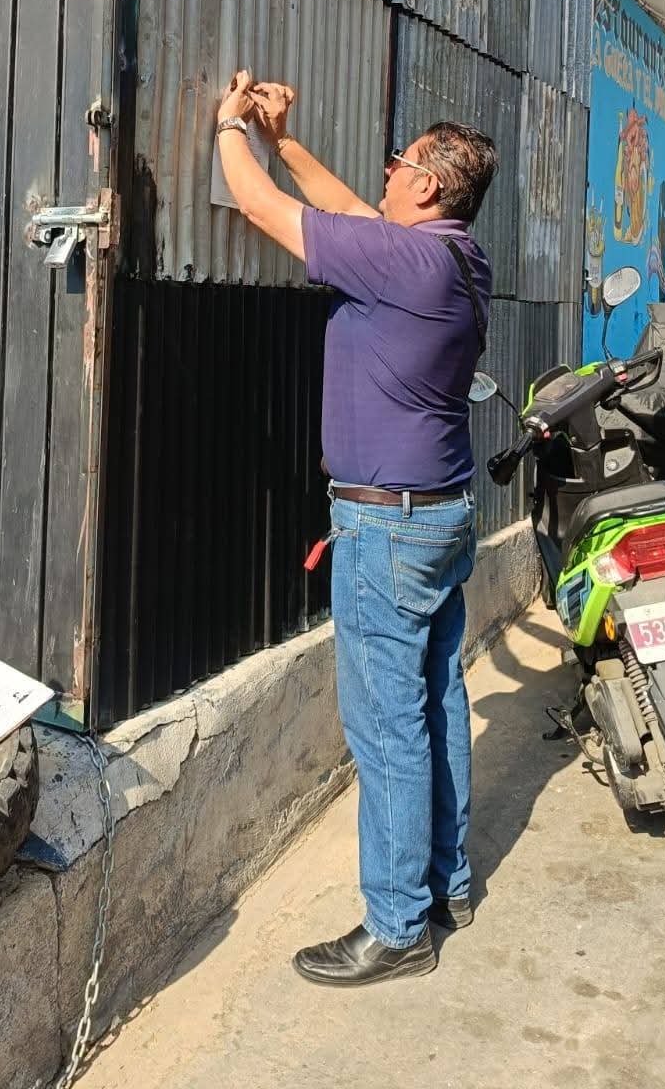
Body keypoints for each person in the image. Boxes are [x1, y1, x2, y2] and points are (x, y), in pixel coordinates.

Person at [214, 69, 497, 987]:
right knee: (436, 701)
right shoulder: (455, 258)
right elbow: (350, 213)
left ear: (427, 184)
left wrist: (230, 127)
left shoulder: (405, 263)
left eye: (398, 162)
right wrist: (285, 140)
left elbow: (260, 208)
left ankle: (398, 925)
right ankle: (448, 884)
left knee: (387, 728)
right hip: (439, 517)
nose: (385, 171)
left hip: (387, 530)